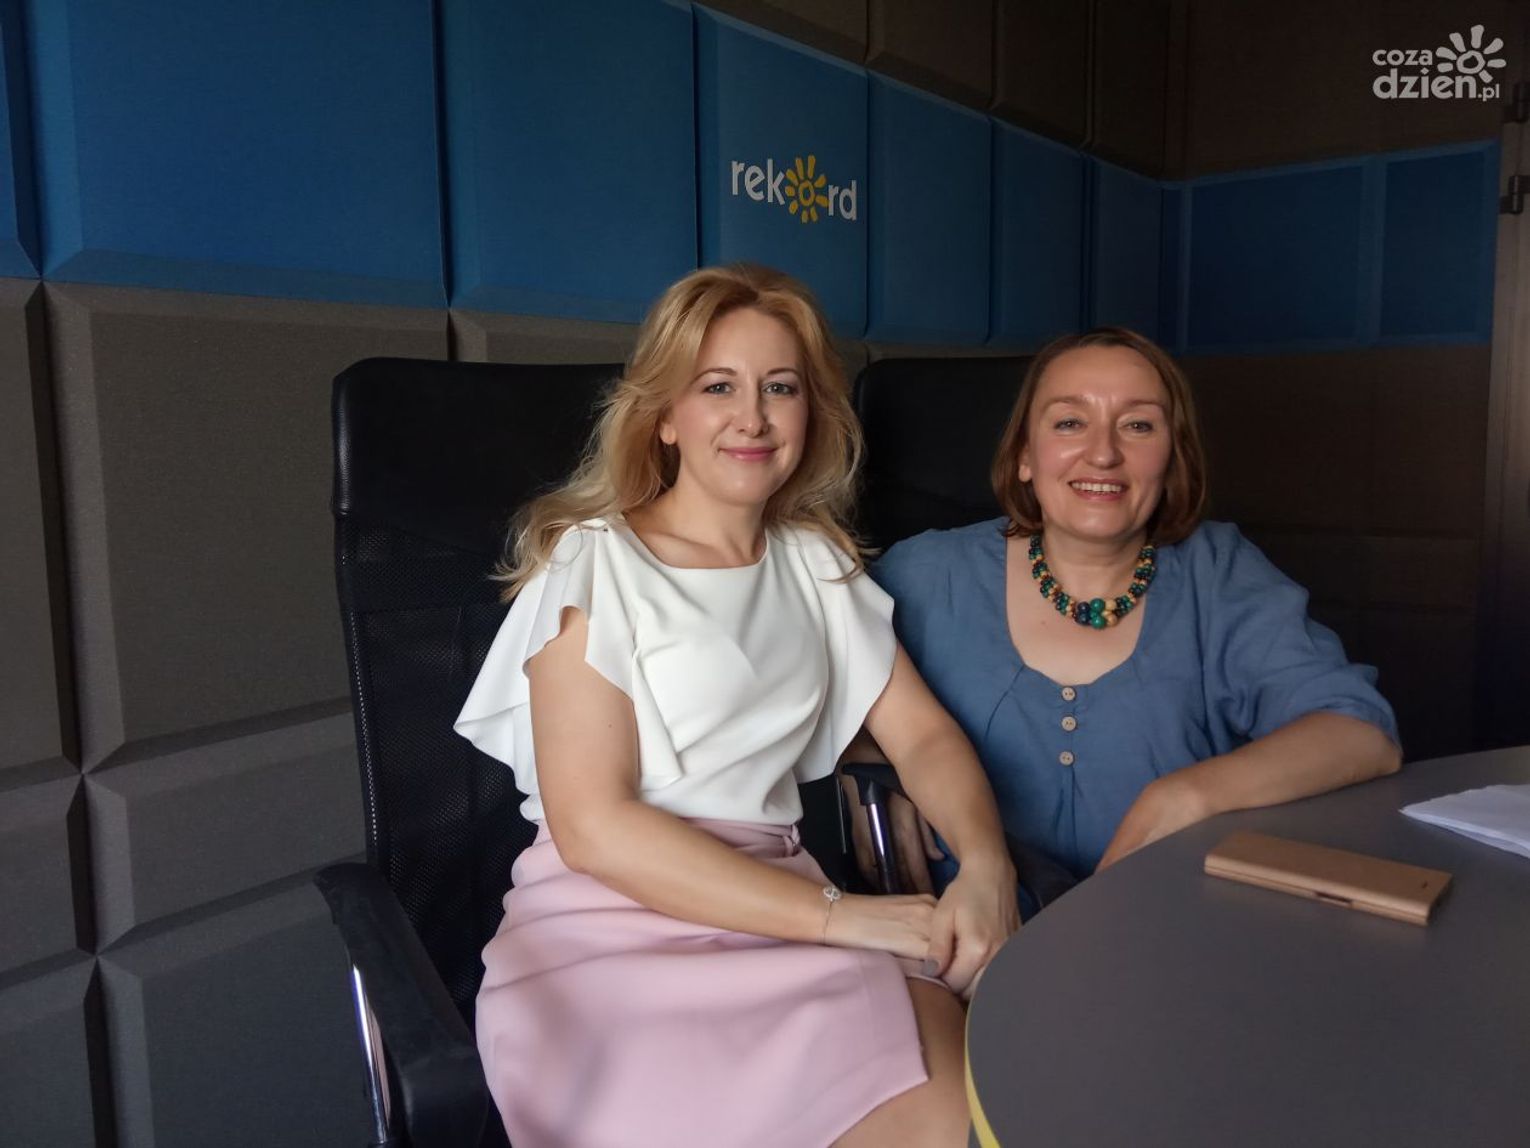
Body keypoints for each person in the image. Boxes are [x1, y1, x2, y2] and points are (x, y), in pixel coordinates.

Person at [453, 264, 1018, 1148]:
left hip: (780, 910)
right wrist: (842, 916)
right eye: (717, 386)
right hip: (607, 931)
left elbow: (924, 736)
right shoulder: (595, 562)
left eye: (779, 388)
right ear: (664, 416)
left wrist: (986, 867)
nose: (752, 417)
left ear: (811, 414)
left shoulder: (815, 564)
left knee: (959, 1119)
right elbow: (595, 828)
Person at [859, 327, 1401, 900]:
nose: (1103, 453)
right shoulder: (927, 573)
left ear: (1172, 459)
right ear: (1024, 455)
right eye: (1070, 422)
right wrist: (864, 765)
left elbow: (1361, 734)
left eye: (1138, 425)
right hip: (962, 936)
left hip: (1170, 927)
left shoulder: (1219, 574)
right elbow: (815, 685)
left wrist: (1186, 795)